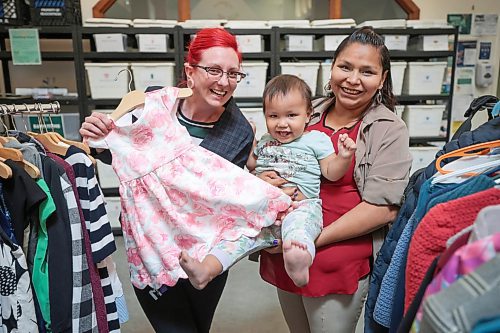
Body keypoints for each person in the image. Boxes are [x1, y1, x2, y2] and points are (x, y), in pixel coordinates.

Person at [79, 28, 258, 333]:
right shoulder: (153, 105)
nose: (224, 82)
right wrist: (99, 138)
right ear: (190, 71)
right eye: (214, 70)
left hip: (203, 252)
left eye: (233, 73)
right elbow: (122, 156)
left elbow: (222, 201)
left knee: (199, 326)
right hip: (150, 244)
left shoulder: (239, 131)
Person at [258, 27, 413, 333]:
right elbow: (269, 156)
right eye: (345, 67)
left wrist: (311, 240)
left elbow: (383, 208)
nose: (353, 79)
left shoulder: (388, 129)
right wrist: (263, 180)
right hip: (287, 250)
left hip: (334, 260)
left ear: (382, 79)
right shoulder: (304, 112)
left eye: (366, 71)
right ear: (332, 68)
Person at [179, 74, 357, 289]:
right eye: (273, 116)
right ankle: (205, 270)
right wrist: (252, 139)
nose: (282, 124)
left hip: (300, 207)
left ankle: (300, 265)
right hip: (264, 212)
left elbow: (331, 172)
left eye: (291, 115)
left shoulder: (316, 140)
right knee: (237, 237)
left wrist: (344, 157)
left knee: (299, 232)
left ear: (308, 114)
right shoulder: (266, 141)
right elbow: (253, 164)